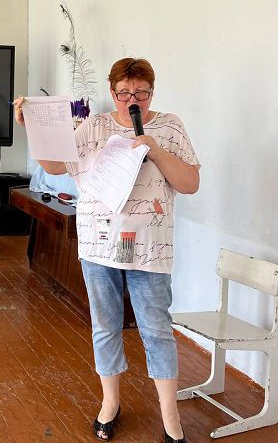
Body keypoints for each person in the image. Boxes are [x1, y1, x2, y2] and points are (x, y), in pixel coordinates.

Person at [14, 57, 199, 443]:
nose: (133, 100)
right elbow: (56, 165)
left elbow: (190, 183)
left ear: (152, 92)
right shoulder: (95, 126)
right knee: (105, 326)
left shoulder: (169, 126)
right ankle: (110, 403)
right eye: (124, 92)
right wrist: (33, 127)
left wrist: (155, 152)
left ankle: (170, 417)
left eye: (141, 93)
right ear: (113, 93)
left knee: (157, 329)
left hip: (149, 248)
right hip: (99, 246)